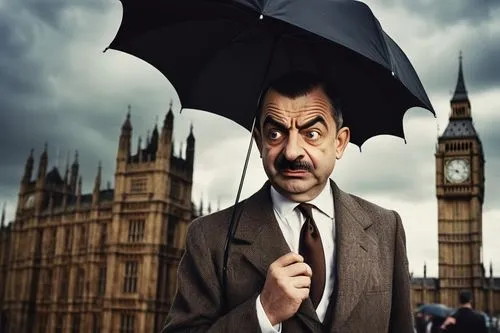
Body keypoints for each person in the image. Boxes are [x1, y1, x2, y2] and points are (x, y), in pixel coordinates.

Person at [163, 71, 414, 332]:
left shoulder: (386, 228)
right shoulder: (209, 236)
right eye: (275, 134)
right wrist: (264, 312)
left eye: (312, 134)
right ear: (259, 142)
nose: (292, 151)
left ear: (340, 142)